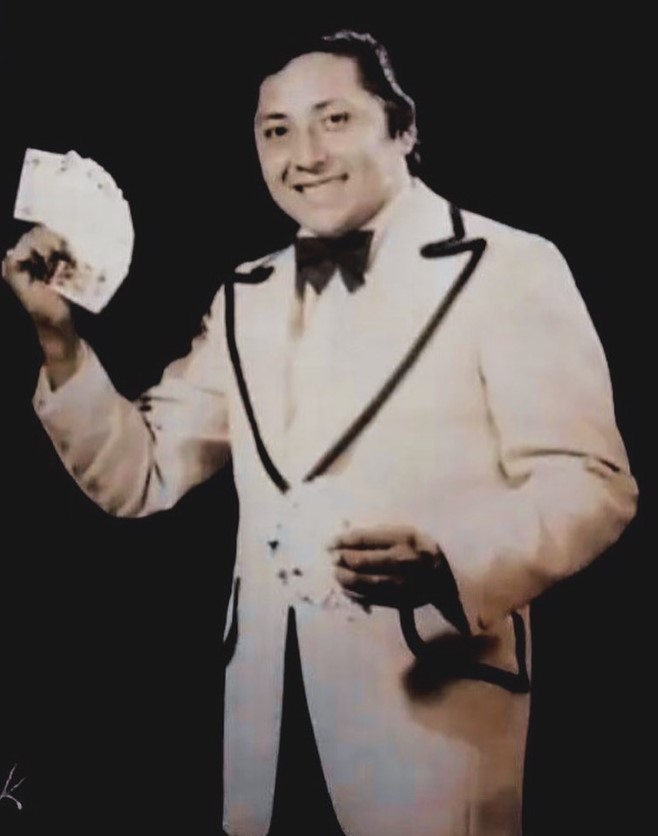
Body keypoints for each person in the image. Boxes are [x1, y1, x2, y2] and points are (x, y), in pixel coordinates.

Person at [2, 30, 638, 836]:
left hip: (427, 722)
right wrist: (58, 339)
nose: (303, 156)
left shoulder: (510, 267)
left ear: (403, 128)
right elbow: (142, 474)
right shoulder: (246, 297)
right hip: (266, 729)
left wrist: (451, 561)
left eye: (334, 119)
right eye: (277, 130)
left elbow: (592, 483)